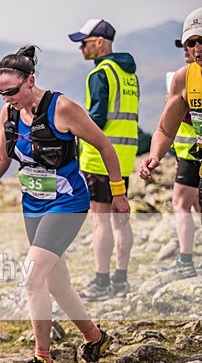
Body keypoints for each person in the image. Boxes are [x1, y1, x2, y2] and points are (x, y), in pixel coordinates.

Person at [0, 46, 126, 363]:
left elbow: (105, 145)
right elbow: (2, 157)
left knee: (32, 278)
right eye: (1, 93)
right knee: (56, 283)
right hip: (33, 205)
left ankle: (43, 359)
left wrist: (118, 193)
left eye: (12, 91)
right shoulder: (7, 114)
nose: (7, 98)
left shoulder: (61, 107)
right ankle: (95, 338)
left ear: (30, 81)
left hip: (67, 203)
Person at [68, 19, 139, 300]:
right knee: (121, 218)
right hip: (124, 157)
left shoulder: (100, 74)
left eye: (84, 43)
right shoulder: (128, 74)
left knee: (101, 220)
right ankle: (121, 279)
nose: (81, 48)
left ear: (99, 42)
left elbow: (95, 120)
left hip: (100, 158)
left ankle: (101, 281)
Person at [141, 7, 202, 276]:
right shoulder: (184, 78)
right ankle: (187, 262)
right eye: (191, 42)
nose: (197, 47)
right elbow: (166, 130)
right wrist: (154, 156)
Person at [159, 38, 201, 278]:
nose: (188, 50)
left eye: (194, 44)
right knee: (194, 205)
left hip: (191, 155)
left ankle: (186, 260)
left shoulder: (187, 79)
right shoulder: (183, 77)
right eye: (185, 46)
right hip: (185, 154)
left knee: (181, 204)